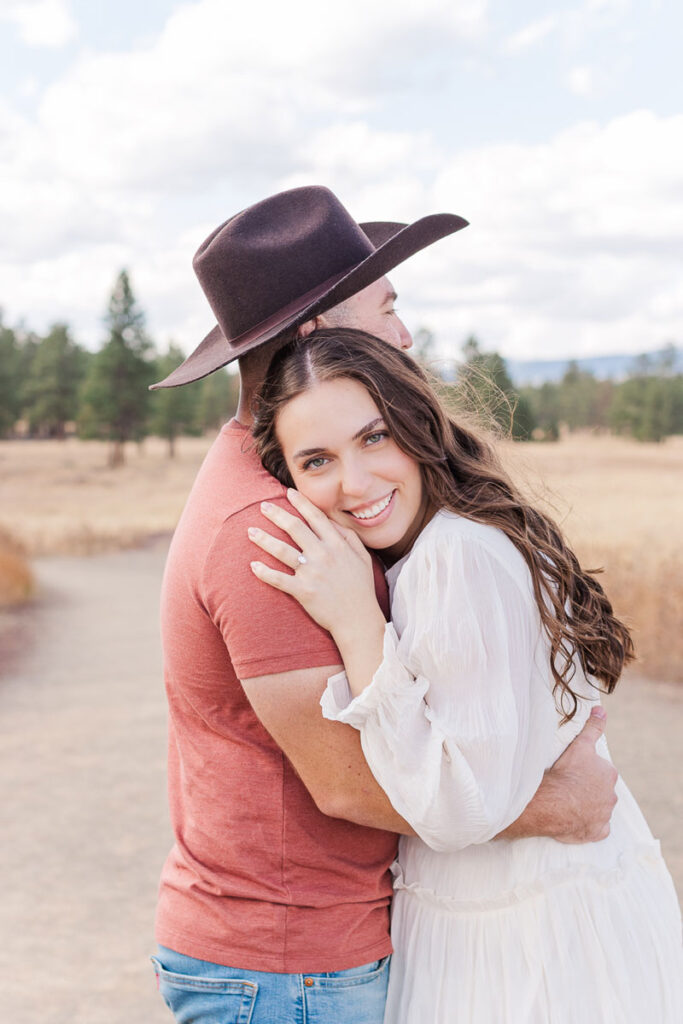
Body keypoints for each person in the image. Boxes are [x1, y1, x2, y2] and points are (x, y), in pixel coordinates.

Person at [149, 186, 621, 1024]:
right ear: (317, 337)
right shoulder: (267, 526)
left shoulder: (303, 490)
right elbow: (347, 784)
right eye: (389, 308)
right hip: (287, 968)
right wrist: (561, 805)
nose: (404, 335)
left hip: (304, 957)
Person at [248, 327, 683, 1023]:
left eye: (373, 438)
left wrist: (357, 624)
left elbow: (456, 806)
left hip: (524, 941)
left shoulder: (455, 554)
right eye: (316, 461)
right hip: (517, 913)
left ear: (416, 426)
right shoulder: (439, 544)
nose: (353, 484)